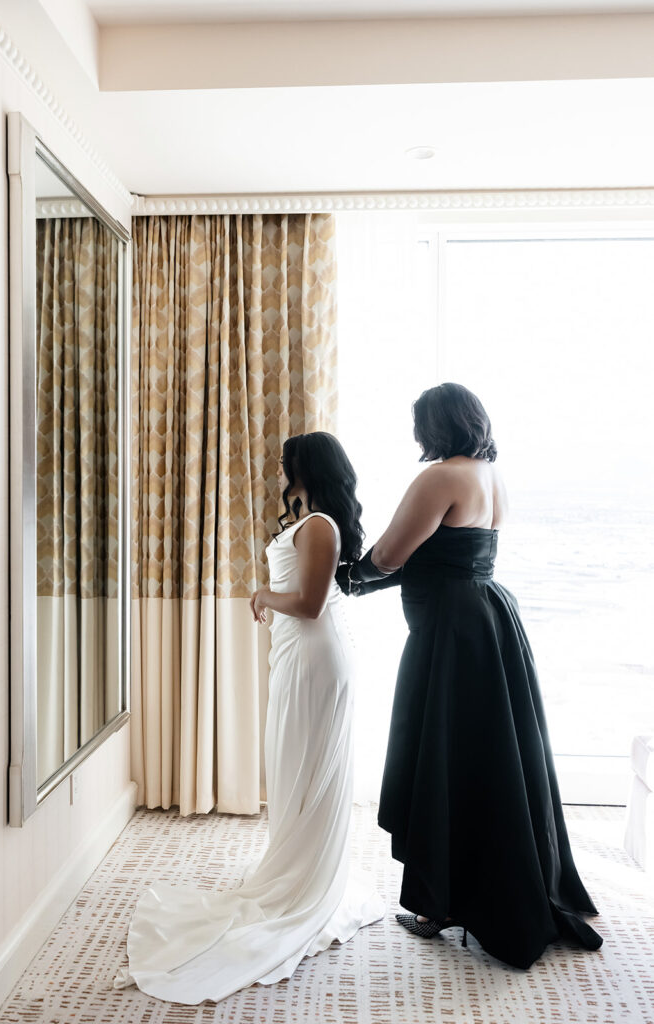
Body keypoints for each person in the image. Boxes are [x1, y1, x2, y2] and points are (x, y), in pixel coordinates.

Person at [337, 383, 603, 970]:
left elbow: (392, 556)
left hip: (451, 632)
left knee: (443, 757)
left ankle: (443, 903)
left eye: (419, 426)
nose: (415, 438)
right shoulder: (492, 475)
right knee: (486, 757)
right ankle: (460, 893)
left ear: (436, 425)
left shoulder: (439, 477)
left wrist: (350, 573)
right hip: (489, 618)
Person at [115, 431, 384, 1004]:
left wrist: (264, 595)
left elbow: (310, 603)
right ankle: (295, 866)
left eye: (287, 460)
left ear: (307, 466)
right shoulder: (309, 521)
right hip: (300, 655)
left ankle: (303, 882)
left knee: (301, 764)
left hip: (316, 656)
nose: (280, 466)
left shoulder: (320, 526)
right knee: (291, 767)